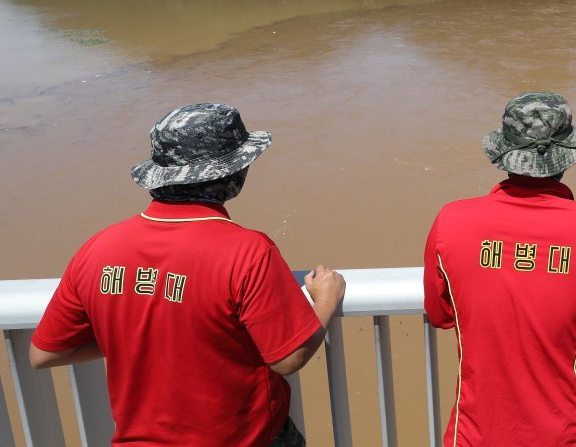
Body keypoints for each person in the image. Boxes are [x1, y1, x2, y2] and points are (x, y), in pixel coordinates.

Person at [30, 103, 346, 446]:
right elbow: (288, 357)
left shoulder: (97, 249)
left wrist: (134, 336)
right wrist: (327, 299)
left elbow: (45, 353)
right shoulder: (247, 251)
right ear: (229, 174)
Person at [423, 92, 576, 446]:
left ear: (505, 153)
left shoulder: (451, 221)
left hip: (474, 434)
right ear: (565, 158)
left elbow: (441, 315)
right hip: (563, 433)